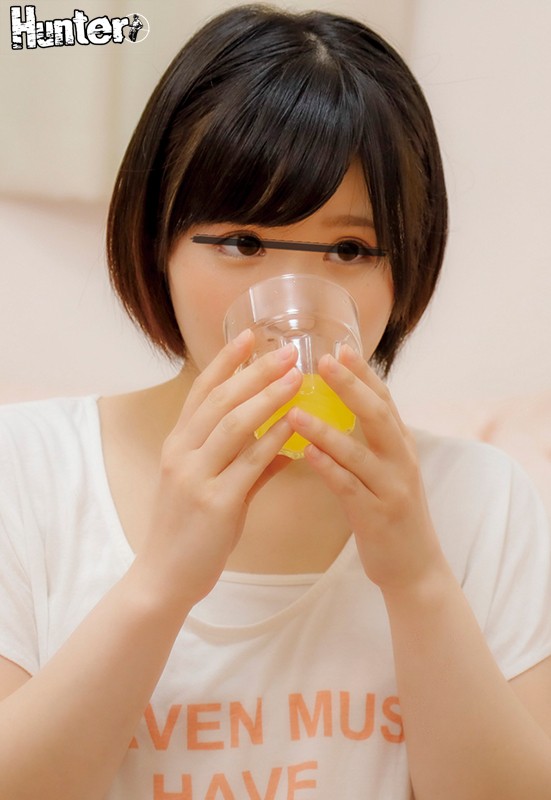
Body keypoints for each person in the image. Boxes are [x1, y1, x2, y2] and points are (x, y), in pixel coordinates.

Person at [1, 5, 550, 799]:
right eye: (244, 242)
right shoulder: (29, 472)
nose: (292, 297)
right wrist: (162, 580)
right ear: (155, 243)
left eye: (350, 249)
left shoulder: (480, 497)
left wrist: (417, 580)